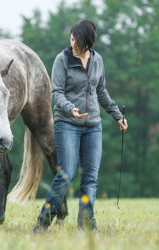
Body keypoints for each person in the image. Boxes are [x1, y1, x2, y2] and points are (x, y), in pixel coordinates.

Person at [33, 19, 128, 232]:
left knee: (90, 178)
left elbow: (101, 91)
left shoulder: (97, 60)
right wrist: (71, 109)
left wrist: (117, 115)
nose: (72, 42)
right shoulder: (62, 60)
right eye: (71, 38)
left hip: (93, 126)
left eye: (76, 39)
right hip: (67, 124)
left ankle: (85, 222)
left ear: (87, 41)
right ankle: (42, 222)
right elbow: (56, 92)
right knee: (66, 174)